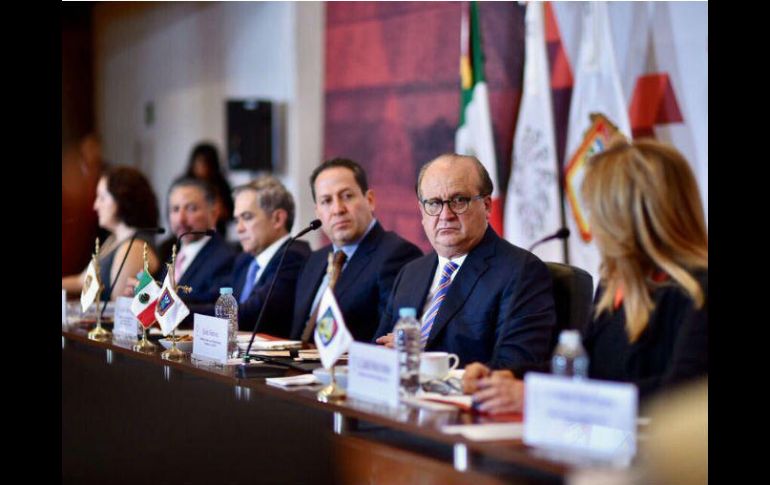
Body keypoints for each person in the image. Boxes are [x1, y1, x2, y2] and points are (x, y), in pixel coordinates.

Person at [463, 139, 708, 413]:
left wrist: (545, 397)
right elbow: (586, 369)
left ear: (624, 218)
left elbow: (681, 396)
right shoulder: (614, 285)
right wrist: (509, 377)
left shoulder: (699, 289)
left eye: (594, 210)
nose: (591, 224)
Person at [374, 154, 556, 371]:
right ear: (422, 212)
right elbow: (378, 350)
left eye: (459, 200)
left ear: (486, 206)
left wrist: (418, 357)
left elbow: (513, 367)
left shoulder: (521, 272)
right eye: (434, 203)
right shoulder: (411, 273)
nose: (445, 215)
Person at [289, 158, 422, 342]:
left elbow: (386, 340)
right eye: (326, 201)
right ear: (318, 212)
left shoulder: (397, 255)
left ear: (370, 200)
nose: (337, 209)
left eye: (347, 196)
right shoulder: (314, 260)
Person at [188, 176, 310, 337]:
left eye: (247, 217)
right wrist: (172, 303)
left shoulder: (293, 256)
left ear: (278, 219)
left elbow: (250, 314)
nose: (239, 229)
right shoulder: (245, 260)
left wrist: (183, 313)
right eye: (236, 220)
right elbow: (216, 298)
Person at [62, 165, 160, 301]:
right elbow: (82, 281)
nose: (96, 205)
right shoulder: (113, 239)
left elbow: (119, 305)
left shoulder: (134, 247)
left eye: (102, 198)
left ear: (122, 199)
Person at [156, 177, 236, 304]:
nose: (181, 219)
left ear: (214, 213)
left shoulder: (225, 258)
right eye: (175, 209)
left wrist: (159, 301)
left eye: (191, 208)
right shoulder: (167, 251)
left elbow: (212, 305)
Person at [185, 142, 234, 236]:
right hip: (189, 232)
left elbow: (228, 213)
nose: (203, 167)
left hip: (216, 234)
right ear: (193, 163)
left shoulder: (221, 185)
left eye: (207, 162)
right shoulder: (184, 186)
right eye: (200, 161)